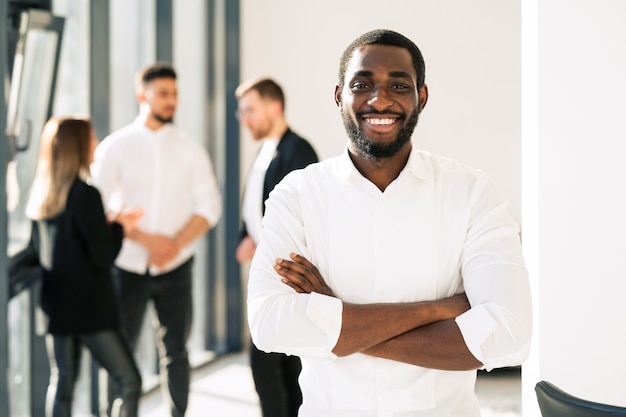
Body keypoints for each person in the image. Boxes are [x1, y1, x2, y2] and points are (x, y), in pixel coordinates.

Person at [247, 29, 533, 417]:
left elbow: (509, 336)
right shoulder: (298, 194)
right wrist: (435, 310)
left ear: (422, 97)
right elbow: (269, 323)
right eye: (362, 84)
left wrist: (337, 319)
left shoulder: (472, 193)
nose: (379, 99)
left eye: (398, 84)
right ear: (339, 96)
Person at [91, 62, 223, 417]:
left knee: (176, 351)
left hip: (176, 268)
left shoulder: (189, 149)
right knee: (119, 351)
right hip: (126, 266)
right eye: (163, 93)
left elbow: (210, 206)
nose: (172, 101)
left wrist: (173, 245)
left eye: (175, 94)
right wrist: (147, 240)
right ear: (142, 95)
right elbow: (98, 209)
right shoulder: (115, 147)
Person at [9, 116, 143, 417]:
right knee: (130, 381)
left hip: (56, 308)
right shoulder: (86, 195)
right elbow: (104, 255)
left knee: (64, 382)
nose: (95, 144)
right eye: (91, 138)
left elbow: (53, 248)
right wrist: (120, 227)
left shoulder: (42, 197)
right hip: (90, 310)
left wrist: (105, 226)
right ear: (78, 146)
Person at [235, 77, 318, 417]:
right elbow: (258, 203)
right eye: (242, 112)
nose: (245, 119)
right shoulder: (265, 151)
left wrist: (267, 243)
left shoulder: (298, 150)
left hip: (287, 276)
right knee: (280, 365)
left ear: (275, 107)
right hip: (270, 268)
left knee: (269, 363)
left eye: (251, 110)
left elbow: (303, 215)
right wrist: (247, 235)